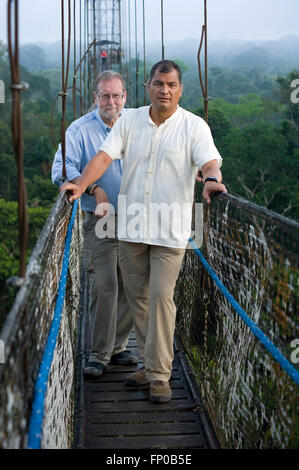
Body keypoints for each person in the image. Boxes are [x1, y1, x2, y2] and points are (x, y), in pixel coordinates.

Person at [60, 60, 227, 402]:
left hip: (171, 230)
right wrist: (83, 185)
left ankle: (161, 376)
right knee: (138, 300)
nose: (164, 90)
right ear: (148, 87)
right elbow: (104, 157)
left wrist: (212, 179)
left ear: (180, 90)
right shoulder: (130, 120)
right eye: (158, 84)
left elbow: (209, 160)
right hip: (132, 228)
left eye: (171, 84)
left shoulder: (194, 127)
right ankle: (149, 365)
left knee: (161, 297)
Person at [52, 70, 137, 378]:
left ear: (125, 98)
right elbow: (61, 172)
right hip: (101, 220)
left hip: (138, 217)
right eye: (104, 96)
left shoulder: (138, 124)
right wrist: (92, 187)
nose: (110, 101)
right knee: (104, 284)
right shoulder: (79, 130)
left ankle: (118, 346)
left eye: (116, 95)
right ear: (95, 98)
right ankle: (98, 354)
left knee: (131, 284)